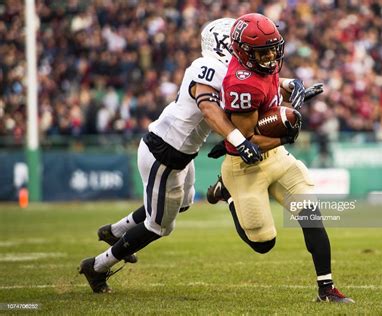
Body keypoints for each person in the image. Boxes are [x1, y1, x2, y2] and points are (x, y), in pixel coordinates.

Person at [79, 18, 263, 293]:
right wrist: (237, 139)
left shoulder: (226, 69)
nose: (246, 48)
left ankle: (114, 232)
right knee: (160, 226)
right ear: (225, 44)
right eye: (241, 42)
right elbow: (209, 109)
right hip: (164, 154)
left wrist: (288, 87)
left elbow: (255, 88)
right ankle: (96, 267)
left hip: (179, 154)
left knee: (185, 202)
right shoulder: (208, 66)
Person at [207, 13, 354, 303]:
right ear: (246, 53)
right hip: (246, 164)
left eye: (274, 48)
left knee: (310, 215)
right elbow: (248, 138)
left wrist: (291, 86)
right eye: (264, 51)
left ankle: (326, 289)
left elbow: (271, 84)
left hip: (277, 158)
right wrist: (285, 134)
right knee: (264, 243)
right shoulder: (242, 84)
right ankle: (229, 194)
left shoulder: (262, 63)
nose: (272, 56)